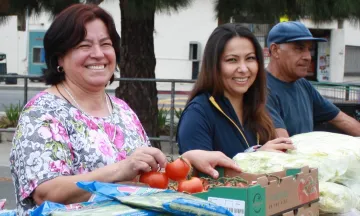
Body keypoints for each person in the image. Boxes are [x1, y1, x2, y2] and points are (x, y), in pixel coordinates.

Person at [9, 4, 241, 216]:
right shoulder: (43, 113)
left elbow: (144, 176)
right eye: (84, 45)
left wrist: (186, 162)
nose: (98, 54)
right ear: (60, 57)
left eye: (106, 44)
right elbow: (45, 193)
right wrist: (119, 170)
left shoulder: (121, 110)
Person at [177, 23, 294, 159]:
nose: (243, 69)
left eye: (250, 58)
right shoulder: (198, 114)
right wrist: (256, 157)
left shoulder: (259, 110)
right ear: (214, 65)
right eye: (232, 60)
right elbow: (201, 177)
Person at [265, 21, 360, 137]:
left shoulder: (303, 85)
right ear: (275, 50)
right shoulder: (261, 89)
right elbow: (283, 144)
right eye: (299, 49)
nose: (308, 57)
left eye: (309, 49)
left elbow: (341, 119)